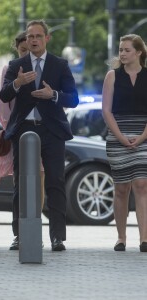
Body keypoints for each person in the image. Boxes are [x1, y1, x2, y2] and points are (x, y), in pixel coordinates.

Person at [0, 20, 79, 251]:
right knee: (21, 183)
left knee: (55, 181)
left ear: (46, 38)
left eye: (37, 36)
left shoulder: (60, 64)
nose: (32, 40)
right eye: (29, 36)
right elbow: (4, 96)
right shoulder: (17, 64)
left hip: (52, 130)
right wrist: (17, 83)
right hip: (24, 129)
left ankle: (57, 237)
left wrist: (53, 94)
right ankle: (20, 235)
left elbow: (73, 98)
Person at [0, 32, 45, 250]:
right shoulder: (11, 69)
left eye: (30, 49)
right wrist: (11, 130)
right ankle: (19, 232)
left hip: (41, 133)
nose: (27, 53)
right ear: (17, 49)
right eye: (23, 50)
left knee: (39, 182)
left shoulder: (43, 67)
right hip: (19, 134)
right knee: (20, 184)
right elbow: (4, 108)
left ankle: (36, 231)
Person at [102, 34, 147, 252]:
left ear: (139, 52)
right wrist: (121, 137)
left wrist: (141, 137)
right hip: (117, 135)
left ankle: (144, 239)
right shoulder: (112, 76)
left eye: (127, 50)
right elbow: (106, 111)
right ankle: (121, 237)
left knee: (141, 185)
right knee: (121, 188)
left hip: (144, 136)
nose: (122, 53)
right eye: (120, 50)